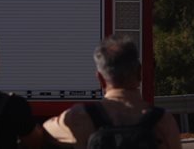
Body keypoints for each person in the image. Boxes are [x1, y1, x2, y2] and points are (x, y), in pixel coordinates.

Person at [43, 34, 181, 149]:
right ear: (140, 73)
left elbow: (40, 134)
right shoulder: (163, 120)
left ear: (100, 79)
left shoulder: (79, 116)